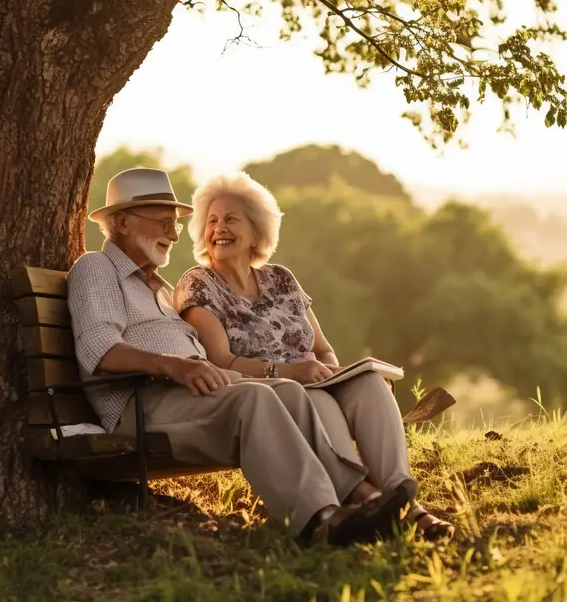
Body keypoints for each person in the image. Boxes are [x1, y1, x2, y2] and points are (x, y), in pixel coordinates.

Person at [67, 167, 411, 547]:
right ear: (123, 222)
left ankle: (358, 501)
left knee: (287, 391)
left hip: (187, 394)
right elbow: (98, 348)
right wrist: (175, 364)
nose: (174, 233)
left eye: (176, 224)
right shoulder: (96, 268)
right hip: (141, 403)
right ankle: (319, 522)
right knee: (258, 397)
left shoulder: (157, 287)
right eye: (163, 222)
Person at [174, 172, 453, 541]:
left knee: (368, 382)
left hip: (313, 376)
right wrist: (292, 371)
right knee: (317, 398)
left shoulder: (282, 279)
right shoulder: (197, 284)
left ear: (256, 231)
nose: (218, 228)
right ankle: (381, 506)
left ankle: (403, 497)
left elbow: (322, 348)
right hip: (272, 390)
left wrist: (332, 372)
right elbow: (220, 361)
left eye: (230, 219)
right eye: (211, 220)